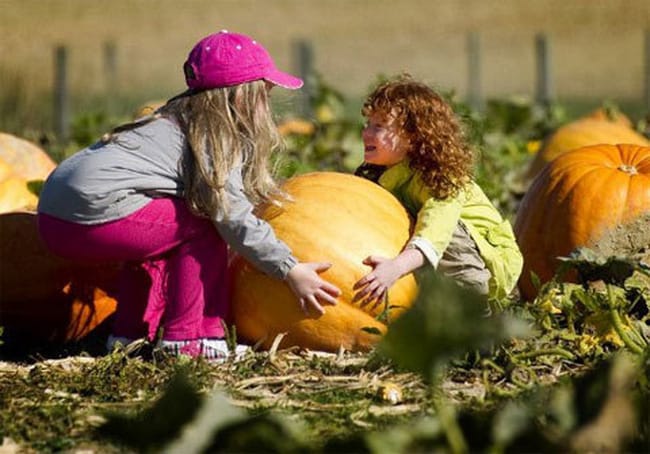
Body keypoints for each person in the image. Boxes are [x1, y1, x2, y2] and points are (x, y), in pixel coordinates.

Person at [36, 30, 341, 360]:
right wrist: (289, 269)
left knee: (162, 229)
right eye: (264, 93)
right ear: (242, 97)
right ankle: (191, 340)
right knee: (205, 219)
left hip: (54, 215)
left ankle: (129, 336)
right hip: (92, 215)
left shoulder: (172, 120)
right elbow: (231, 216)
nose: (267, 104)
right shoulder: (216, 137)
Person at [353, 75, 522, 306]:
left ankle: (474, 319)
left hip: (489, 264)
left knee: (445, 229)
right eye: (368, 124)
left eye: (379, 127)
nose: (366, 133)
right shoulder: (384, 173)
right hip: (434, 262)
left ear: (413, 137)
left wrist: (396, 268)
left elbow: (435, 233)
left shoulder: (443, 179)